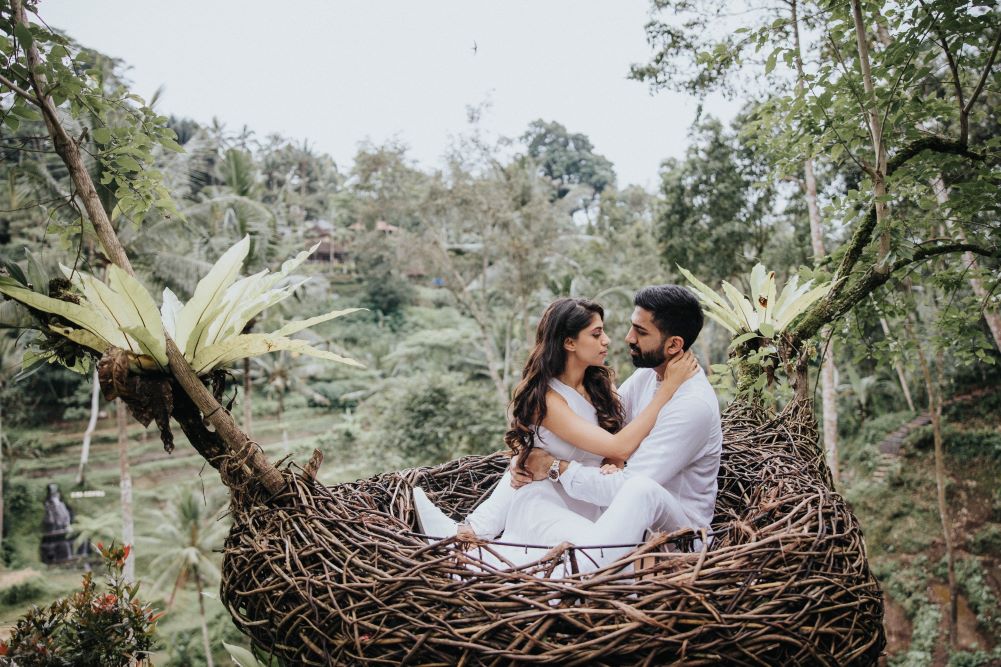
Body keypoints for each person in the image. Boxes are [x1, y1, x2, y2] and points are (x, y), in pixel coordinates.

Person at [412, 296, 697, 567]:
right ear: (569, 342)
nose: (608, 340)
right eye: (596, 334)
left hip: (590, 500)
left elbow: (617, 446)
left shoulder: (601, 385)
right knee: (589, 554)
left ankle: (469, 533)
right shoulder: (547, 401)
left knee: (603, 549)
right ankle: (464, 541)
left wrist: (613, 464)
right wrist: (667, 390)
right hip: (545, 498)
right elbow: (618, 445)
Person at [510, 285, 722, 568]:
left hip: (674, 535)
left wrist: (553, 467)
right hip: (616, 516)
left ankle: (580, 576)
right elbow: (610, 431)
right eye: (632, 327)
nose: (627, 338)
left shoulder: (692, 406)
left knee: (640, 490)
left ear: (673, 345)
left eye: (641, 333)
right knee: (538, 503)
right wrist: (524, 459)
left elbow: (625, 488)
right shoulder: (646, 377)